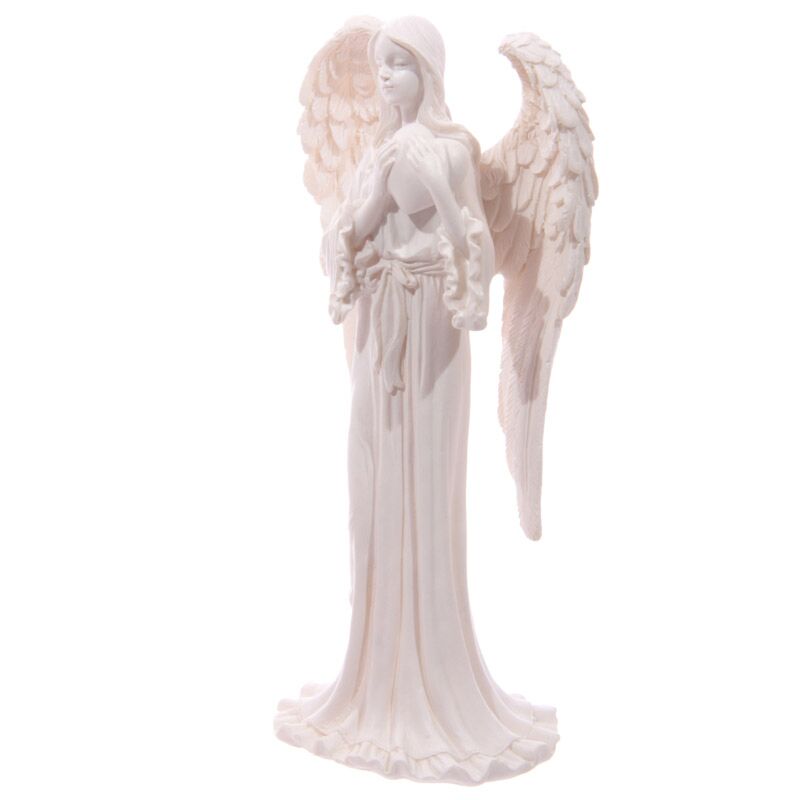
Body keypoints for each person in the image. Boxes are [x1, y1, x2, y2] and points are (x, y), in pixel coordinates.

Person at [274, 16, 559, 785]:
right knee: (370, 491)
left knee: (426, 492)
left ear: (428, 73)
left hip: (430, 333)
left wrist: (422, 195)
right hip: (380, 335)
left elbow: (473, 247)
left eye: (399, 65)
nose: (385, 79)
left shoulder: (452, 150)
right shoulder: (379, 151)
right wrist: (363, 218)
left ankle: (431, 679)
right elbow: (344, 242)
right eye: (379, 66)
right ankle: (375, 675)